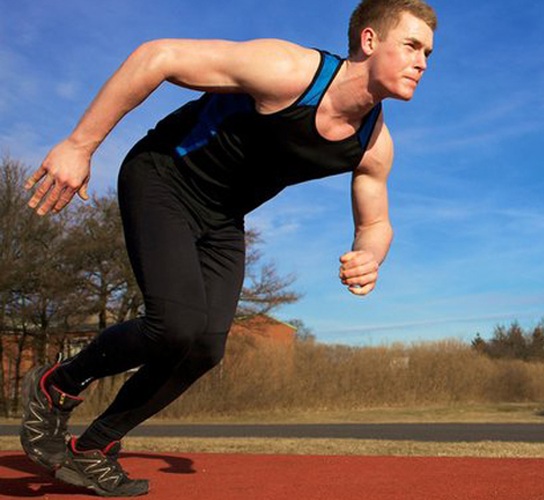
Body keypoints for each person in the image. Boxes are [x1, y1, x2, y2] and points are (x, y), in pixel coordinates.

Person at [19, 0, 436, 496]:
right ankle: (59, 385)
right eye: (411, 45)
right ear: (369, 42)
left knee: (205, 348)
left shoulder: (374, 142)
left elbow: (377, 222)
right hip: (164, 177)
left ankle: (95, 447)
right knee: (175, 324)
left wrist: (371, 255)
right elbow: (159, 55)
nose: (422, 62)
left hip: (221, 218)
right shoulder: (290, 71)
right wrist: (80, 145)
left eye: (429, 52)